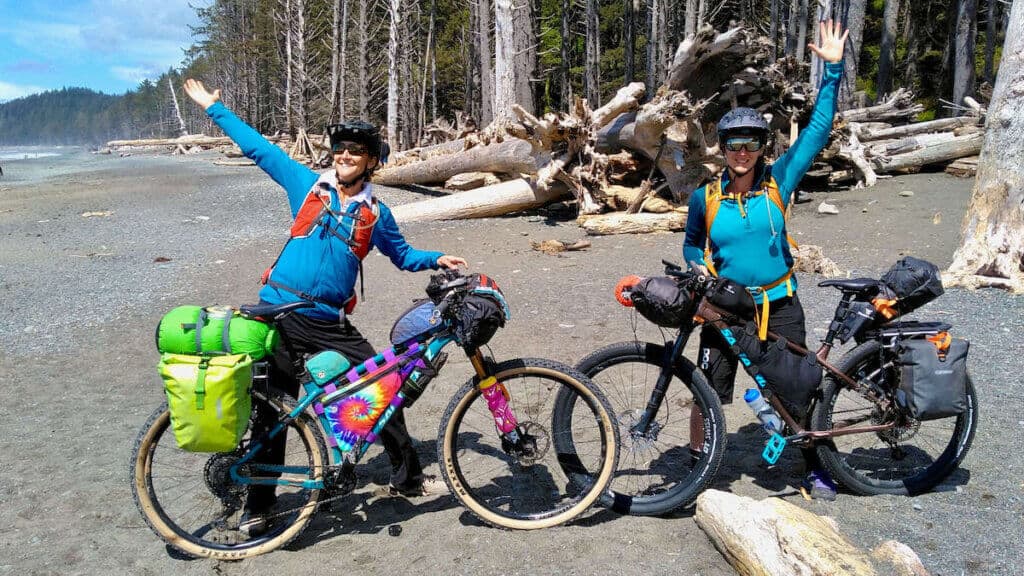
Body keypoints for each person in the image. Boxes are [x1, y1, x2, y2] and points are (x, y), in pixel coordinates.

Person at [183, 79, 467, 535]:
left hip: (329, 322)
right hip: (277, 312)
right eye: (340, 149)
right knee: (273, 412)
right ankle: (258, 506)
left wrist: (436, 259)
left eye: (355, 150)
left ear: (372, 160)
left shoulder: (377, 215)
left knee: (384, 387)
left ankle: (408, 478)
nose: (345, 155)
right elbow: (260, 150)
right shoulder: (307, 187)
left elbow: (402, 255)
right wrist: (215, 108)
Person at [682, 20, 849, 501]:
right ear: (723, 148)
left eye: (751, 144)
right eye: (733, 144)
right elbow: (693, 245)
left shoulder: (779, 181)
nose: (742, 152)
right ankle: (699, 469)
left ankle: (816, 467)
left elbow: (818, 130)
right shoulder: (704, 197)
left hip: (780, 304)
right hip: (725, 307)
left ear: (762, 148)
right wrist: (700, 272)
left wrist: (832, 71)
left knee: (800, 388)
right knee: (705, 388)